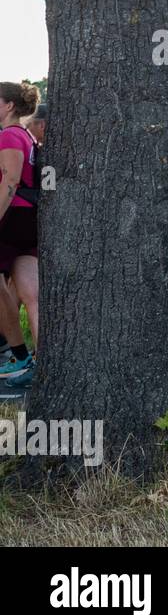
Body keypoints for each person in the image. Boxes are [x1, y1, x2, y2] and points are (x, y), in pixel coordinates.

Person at [0, 82, 41, 388]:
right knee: (30, 293)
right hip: (28, 217)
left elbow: (11, 181)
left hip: (11, 215)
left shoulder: (10, 135)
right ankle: (45, 364)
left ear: (9, 105)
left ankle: (19, 355)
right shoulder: (26, 134)